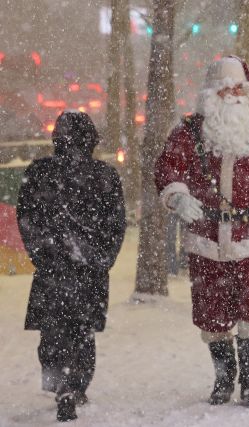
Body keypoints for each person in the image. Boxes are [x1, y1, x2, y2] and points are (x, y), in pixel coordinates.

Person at [154, 57, 249, 407]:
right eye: (225, 89)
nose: (232, 95)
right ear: (211, 93)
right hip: (204, 235)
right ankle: (223, 376)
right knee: (210, 306)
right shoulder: (189, 132)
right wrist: (176, 196)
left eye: (238, 88)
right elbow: (167, 166)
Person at [17, 111, 126, 422]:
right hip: (89, 269)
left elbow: (27, 219)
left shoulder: (39, 172)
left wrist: (41, 254)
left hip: (54, 269)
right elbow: (116, 223)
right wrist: (102, 258)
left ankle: (61, 384)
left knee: (54, 329)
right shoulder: (104, 175)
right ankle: (75, 383)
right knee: (82, 330)